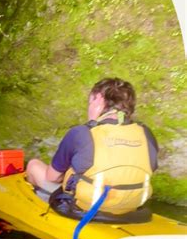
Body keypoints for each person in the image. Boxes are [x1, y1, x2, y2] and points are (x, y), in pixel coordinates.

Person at [26, 78, 158, 215]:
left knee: (34, 165)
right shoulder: (146, 133)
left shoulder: (81, 133)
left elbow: (52, 177)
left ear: (98, 100)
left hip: (87, 206)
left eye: (90, 102)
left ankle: (39, 204)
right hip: (132, 205)